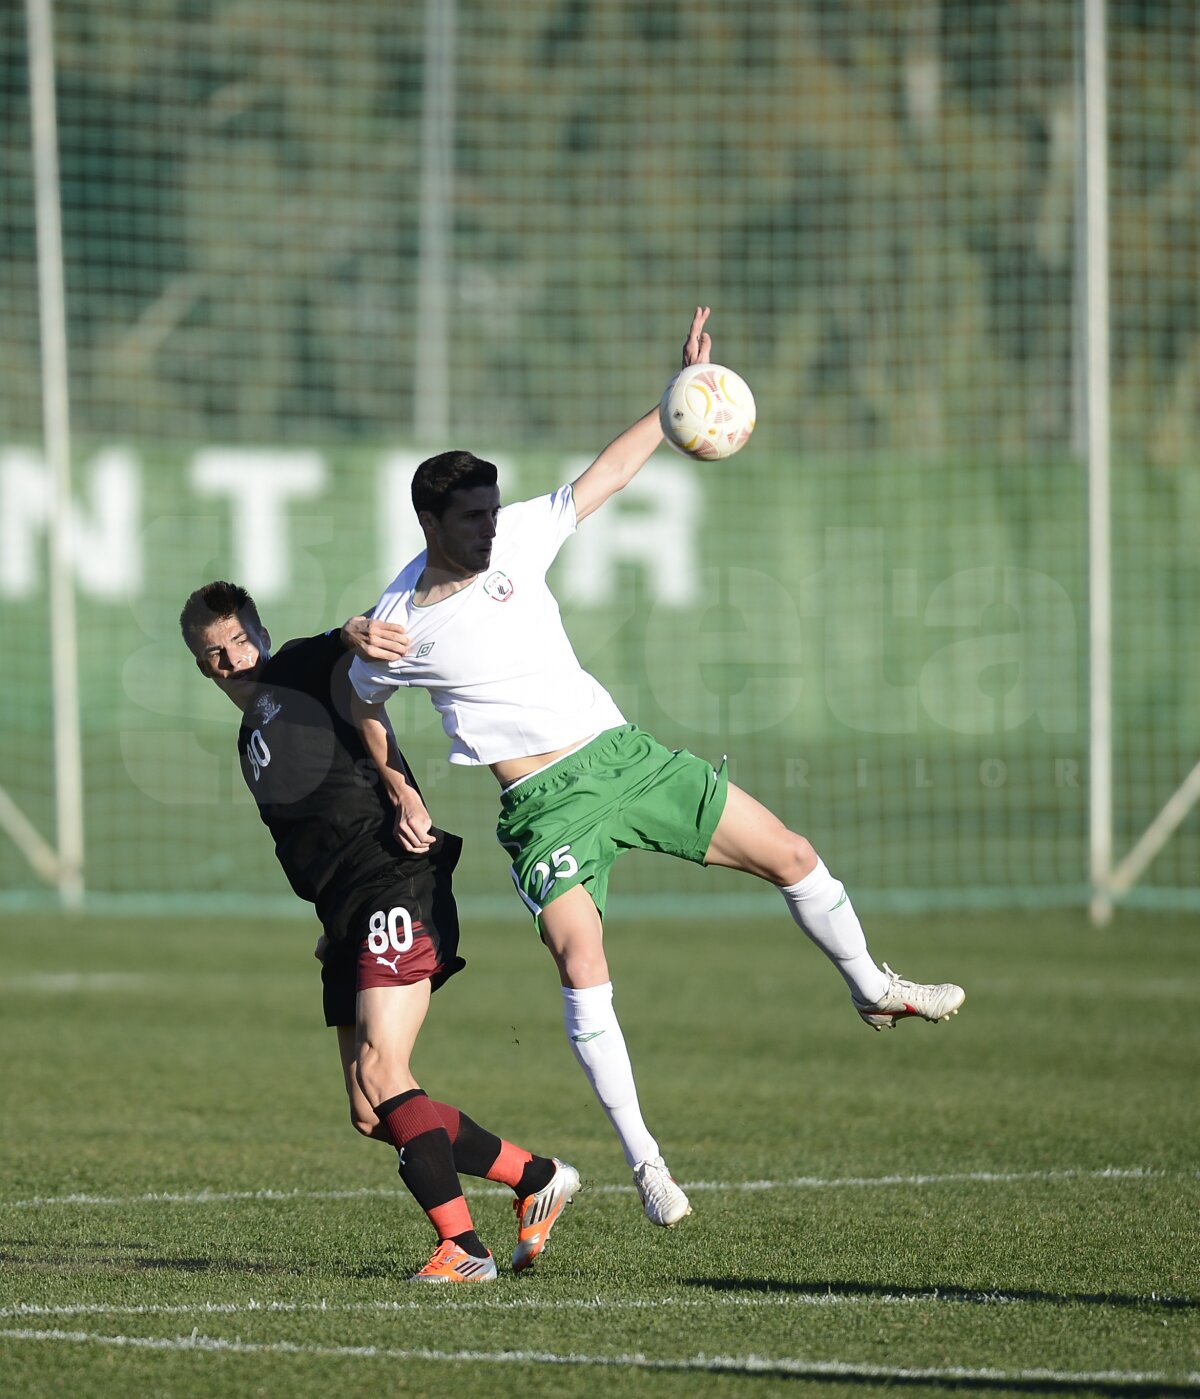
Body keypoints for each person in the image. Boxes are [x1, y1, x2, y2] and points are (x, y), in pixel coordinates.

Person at [346, 307, 966, 1229]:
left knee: (792, 853)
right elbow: (361, 699)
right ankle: (647, 1163)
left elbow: (604, 476)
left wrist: (677, 396)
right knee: (581, 958)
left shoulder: (517, 538)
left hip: (623, 756)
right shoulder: (397, 621)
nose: (488, 528)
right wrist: (398, 781)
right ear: (429, 520)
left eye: (492, 511)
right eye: (471, 517)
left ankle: (874, 987)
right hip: (543, 807)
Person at [179, 580, 581, 1282]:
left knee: (381, 1069)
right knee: (370, 1111)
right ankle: (536, 1176)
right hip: (346, 911)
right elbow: (308, 835)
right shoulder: (252, 735)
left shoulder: (292, 669)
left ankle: (464, 1249)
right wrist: (329, 923)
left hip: (391, 880)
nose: (233, 658)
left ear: (261, 636)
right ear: (201, 665)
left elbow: (342, 648)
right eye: (216, 652)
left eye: (241, 640)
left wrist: (359, 634)